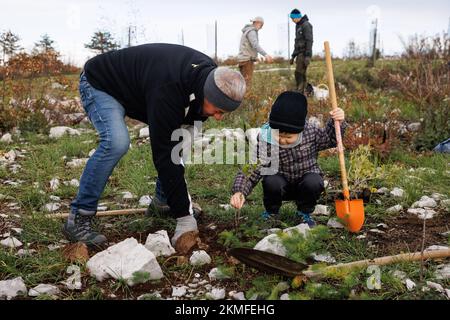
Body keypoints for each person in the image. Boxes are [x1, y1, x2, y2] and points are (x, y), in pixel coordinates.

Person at [64, 44, 246, 247]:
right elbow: (165, 154)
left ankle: (163, 202)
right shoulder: (169, 89)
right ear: (206, 94)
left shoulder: (209, 78)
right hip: (102, 84)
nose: (219, 118)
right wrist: (185, 218)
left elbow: (180, 139)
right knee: (117, 142)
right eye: (218, 110)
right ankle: (79, 216)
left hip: (141, 90)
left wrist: (178, 204)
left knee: (184, 139)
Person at [230, 91, 347, 227]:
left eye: (288, 137)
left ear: (301, 130)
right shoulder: (266, 140)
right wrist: (239, 190)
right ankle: (271, 213)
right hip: (280, 185)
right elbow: (252, 168)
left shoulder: (311, 133)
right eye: (278, 135)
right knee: (270, 179)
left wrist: (337, 122)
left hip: (305, 184)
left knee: (314, 181)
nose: (282, 140)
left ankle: (304, 212)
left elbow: (331, 139)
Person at [237, 16, 273, 89]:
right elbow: (255, 45)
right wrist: (265, 55)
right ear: (257, 23)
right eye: (261, 25)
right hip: (247, 61)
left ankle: (243, 98)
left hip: (243, 59)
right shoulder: (252, 31)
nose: (261, 27)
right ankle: (246, 98)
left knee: (243, 82)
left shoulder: (247, 31)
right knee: (247, 83)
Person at [289, 9, 313, 94]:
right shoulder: (298, 26)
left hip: (304, 53)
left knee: (299, 72)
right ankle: (306, 91)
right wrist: (293, 56)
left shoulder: (306, 25)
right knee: (301, 73)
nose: (292, 20)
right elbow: (297, 42)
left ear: (297, 17)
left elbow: (309, 41)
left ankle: (300, 91)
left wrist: (308, 56)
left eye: (293, 18)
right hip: (299, 54)